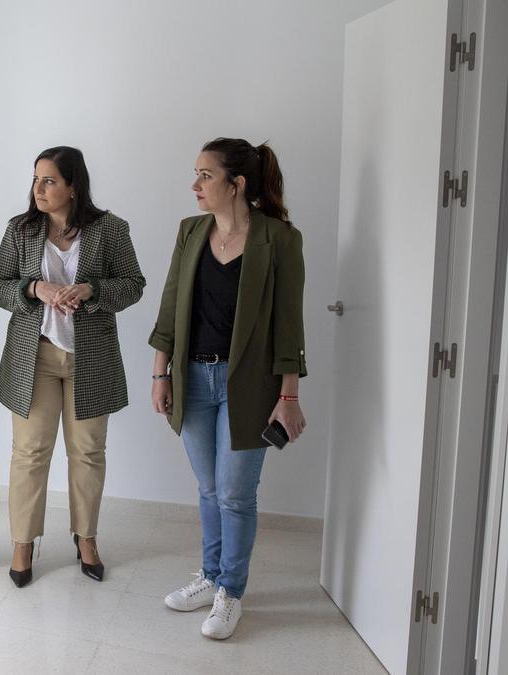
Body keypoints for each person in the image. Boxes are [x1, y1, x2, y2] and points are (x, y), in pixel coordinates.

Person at [149, 138, 307, 640]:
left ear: (236, 184)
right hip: (192, 379)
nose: (195, 185)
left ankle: (230, 592)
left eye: (206, 175)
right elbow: (171, 306)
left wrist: (289, 397)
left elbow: (289, 325)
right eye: (196, 174)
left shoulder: (279, 239)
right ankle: (211, 575)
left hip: (251, 386)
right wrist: (160, 372)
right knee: (209, 489)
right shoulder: (190, 231)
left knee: (236, 495)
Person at [0, 146, 145, 588]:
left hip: (90, 359)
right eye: (36, 179)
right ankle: (23, 542)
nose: (39, 188)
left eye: (50, 180)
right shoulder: (20, 230)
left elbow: (133, 284)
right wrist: (34, 287)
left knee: (89, 453)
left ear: (73, 186)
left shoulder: (110, 230)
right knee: (29, 453)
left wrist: (91, 290)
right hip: (34, 356)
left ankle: (86, 538)